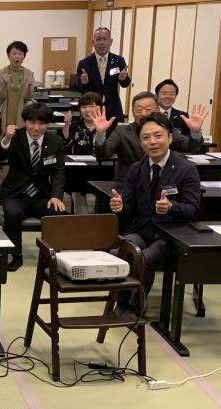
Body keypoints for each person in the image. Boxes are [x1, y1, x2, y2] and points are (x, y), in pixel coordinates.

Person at [108, 112, 200, 313]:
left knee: (145, 258)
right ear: (140, 142)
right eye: (146, 137)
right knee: (123, 250)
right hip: (142, 229)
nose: (153, 142)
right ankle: (120, 301)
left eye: (158, 136)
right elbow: (130, 208)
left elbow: (194, 210)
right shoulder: (136, 168)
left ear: (170, 137)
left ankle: (136, 306)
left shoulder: (187, 169)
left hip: (170, 233)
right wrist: (120, 207)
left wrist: (172, 207)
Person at [0, 103, 67, 272]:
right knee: (11, 212)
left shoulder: (55, 141)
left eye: (41, 123)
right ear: (25, 122)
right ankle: (16, 255)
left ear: (47, 124)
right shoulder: (16, 137)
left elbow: (59, 172)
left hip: (42, 195)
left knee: (58, 211)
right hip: (17, 193)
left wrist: (56, 196)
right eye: (31, 122)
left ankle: (50, 255)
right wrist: (6, 139)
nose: (36, 128)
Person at [93, 91, 207, 184]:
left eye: (148, 109)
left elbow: (192, 148)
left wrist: (195, 132)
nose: (143, 113)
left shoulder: (164, 130)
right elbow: (103, 154)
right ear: (132, 112)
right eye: (138, 110)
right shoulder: (122, 132)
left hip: (161, 185)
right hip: (128, 187)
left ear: (157, 110)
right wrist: (100, 134)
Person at [77, 27, 130, 129]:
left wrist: (124, 79)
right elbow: (78, 88)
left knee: (115, 139)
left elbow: (125, 84)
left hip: (113, 108)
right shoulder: (84, 63)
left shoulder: (118, 60)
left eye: (105, 39)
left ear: (110, 42)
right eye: (98, 39)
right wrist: (83, 82)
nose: (102, 42)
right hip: (92, 109)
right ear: (93, 42)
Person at [62, 92, 103, 214]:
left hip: (100, 167)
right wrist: (67, 124)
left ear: (99, 107)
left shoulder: (106, 125)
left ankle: (100, 213)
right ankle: (82, 216)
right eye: (84, 107)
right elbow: (67, 145)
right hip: (79, 169)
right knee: (75, 179)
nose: (87, 110)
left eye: (91, 106)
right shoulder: (76, 125)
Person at [0, 41, 34, 131]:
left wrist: (29, 86)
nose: (17, 56)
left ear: (24, 57)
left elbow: (28, 99)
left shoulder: (29, 74)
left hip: (21, 115)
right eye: (14, 53)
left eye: (20, 54)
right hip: (4, 114)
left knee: (19, 138)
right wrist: (4, 84)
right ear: (8, 55)